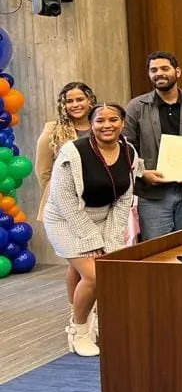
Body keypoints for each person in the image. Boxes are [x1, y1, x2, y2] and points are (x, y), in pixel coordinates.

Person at [43, 103, 140, 357]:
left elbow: (123, 198)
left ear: (123, 123)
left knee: (82, 268)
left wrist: (111, 239)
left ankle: (80, 311)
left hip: (104, 217)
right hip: (65, 219)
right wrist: (91, 238)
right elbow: (64, 201)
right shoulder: (72, 151)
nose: (107, 125)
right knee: (96, 275)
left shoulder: (129, 151)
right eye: (100, 120)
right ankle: (78, 329)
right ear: (92, 124)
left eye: (113, 119)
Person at [124, 52, 182, 241]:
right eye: (153, 70)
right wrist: (143, 173)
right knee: (157, 251)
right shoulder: (136, 106)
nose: (159, 73)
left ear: (178, 71)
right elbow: (126, 147)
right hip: (153, 195)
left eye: (164, 68)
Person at [34, 81, 96, 309]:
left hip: (96, 204)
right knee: (78, 261)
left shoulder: (101, 123)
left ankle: (88, 309)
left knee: (83, 262)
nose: (75, 104)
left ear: (90, 100)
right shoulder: (53, 129)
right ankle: (77, 312)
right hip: (64, 207)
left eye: (80, 99)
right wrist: (58, 197)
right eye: (69, 101)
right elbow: (43, 170)